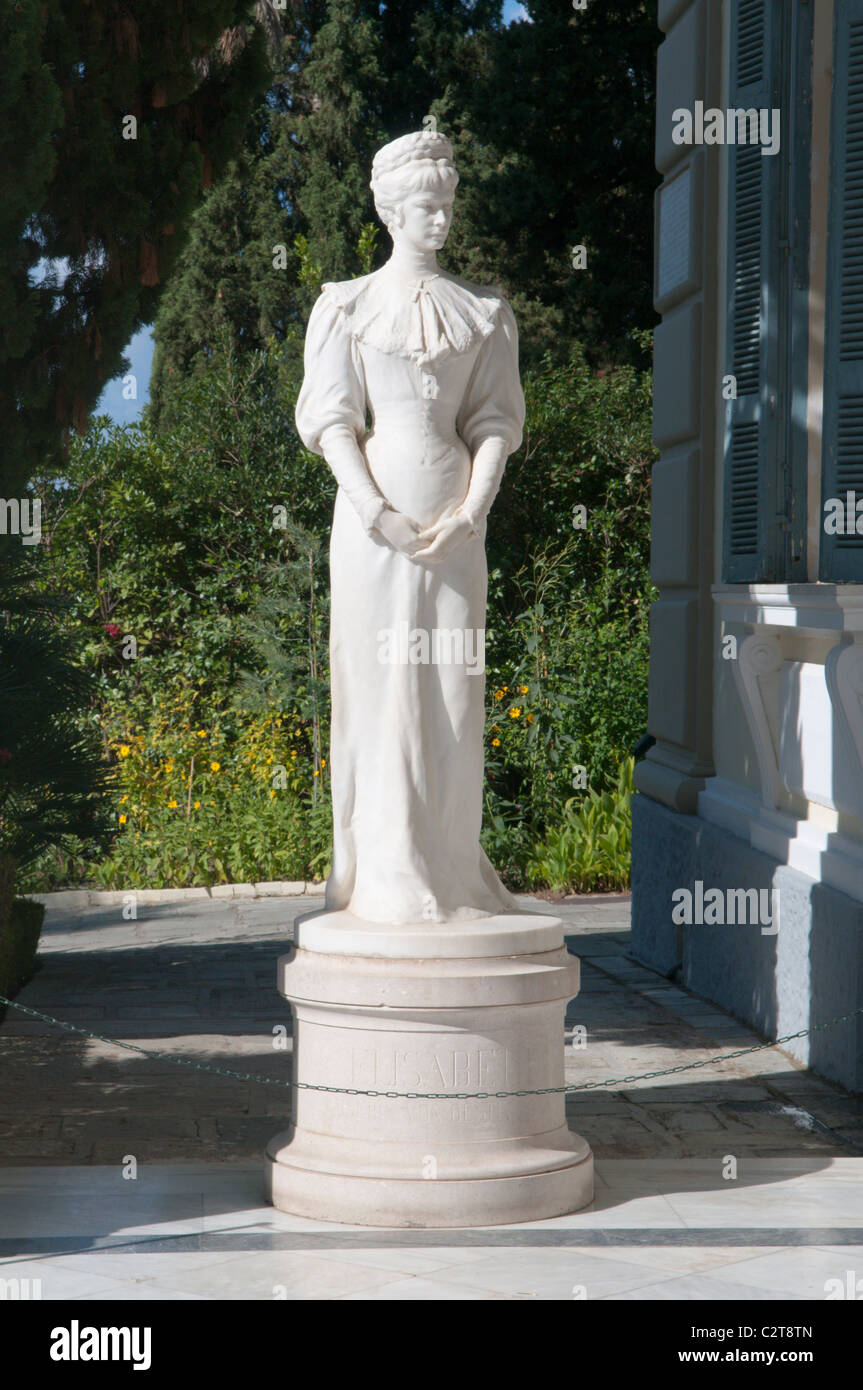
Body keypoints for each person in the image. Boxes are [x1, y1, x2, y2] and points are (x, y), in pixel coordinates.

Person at [295, 130, 525, 925]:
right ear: (391, 210)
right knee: (382, 684)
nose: (441, 221)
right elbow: (331, 423)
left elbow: (495, 419)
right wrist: (374, 512)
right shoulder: (346, 307)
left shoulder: (485, 313)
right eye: (428, 206)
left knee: (452, 690)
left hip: (457, 530)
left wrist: (474, 508)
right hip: (372, 530)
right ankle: (388, 869)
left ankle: (451, 864)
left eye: (448, 205)